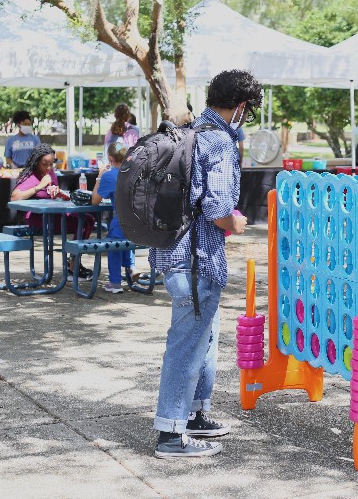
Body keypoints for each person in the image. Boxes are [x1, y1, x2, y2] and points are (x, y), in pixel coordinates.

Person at [150, 69, 261, 458]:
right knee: (187, 345)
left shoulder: (190, 133)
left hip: (174, 255)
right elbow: (216, 209)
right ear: (242, 107)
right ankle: (171, 433)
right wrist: (237, 221)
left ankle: (194, 414)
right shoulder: (219, 143)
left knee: (204, 336)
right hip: (197, 261)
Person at [11, 143, 95, 279]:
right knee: (83, 223)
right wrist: (39, 186)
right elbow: (14, 197)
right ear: (36, 161)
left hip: (54, 213)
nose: (49, 168)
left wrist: (58, 193)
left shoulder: (51, 174)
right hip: (38, 217)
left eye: (51, 164)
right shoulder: (31, 177)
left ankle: (73, 262)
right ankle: (74, 264)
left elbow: (52, 193)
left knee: (88, 218)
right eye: (45, 164)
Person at [91, 142, 134, 294]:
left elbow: (95, 201)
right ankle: (131, 267)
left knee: (113, 241)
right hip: (142, 224)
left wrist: (99, 177)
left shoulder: (109, 176)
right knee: (128, 237)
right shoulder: (137, 172)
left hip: (122, 221)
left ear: (110, 158)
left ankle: (115, 282)